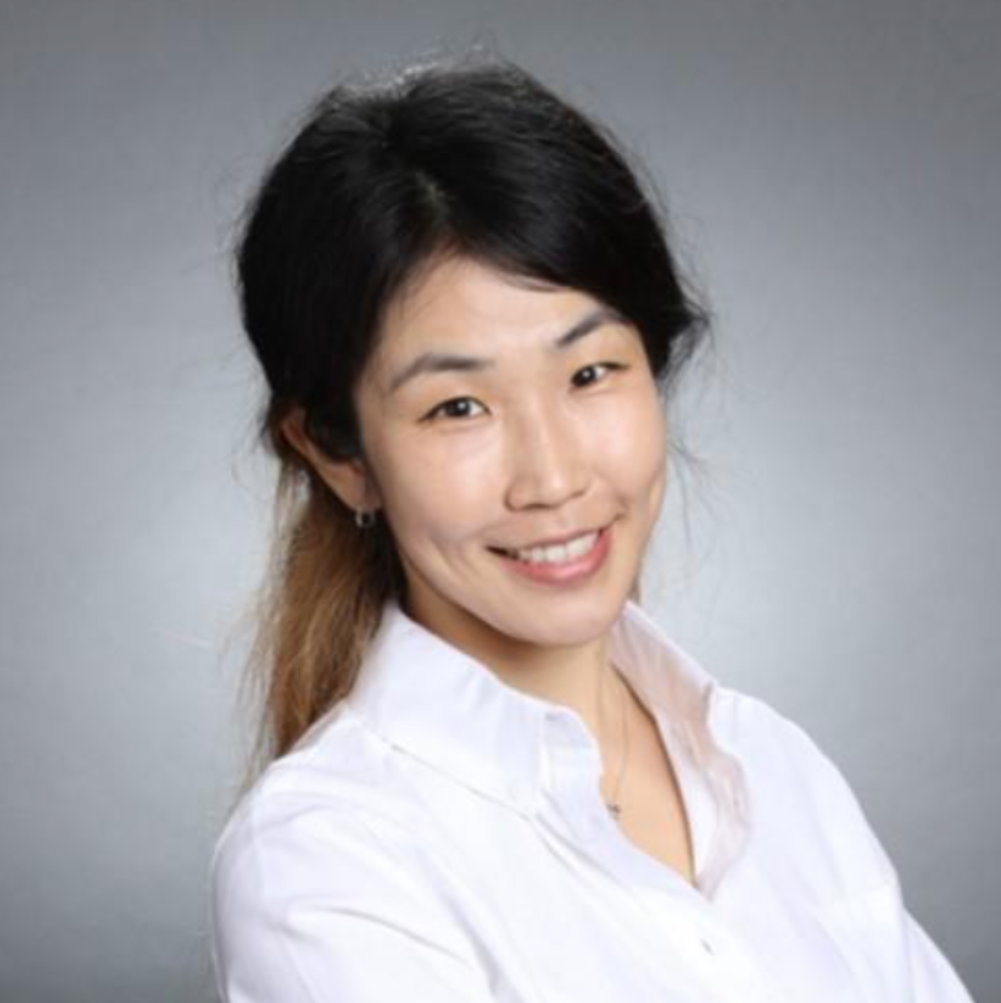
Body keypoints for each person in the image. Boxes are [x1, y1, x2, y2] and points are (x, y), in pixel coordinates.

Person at [208, 51, 976, 1002]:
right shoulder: (326, 862)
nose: (555, 476)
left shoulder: (775, 769)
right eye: (458, 406)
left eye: (589, 373)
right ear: (339, 454)